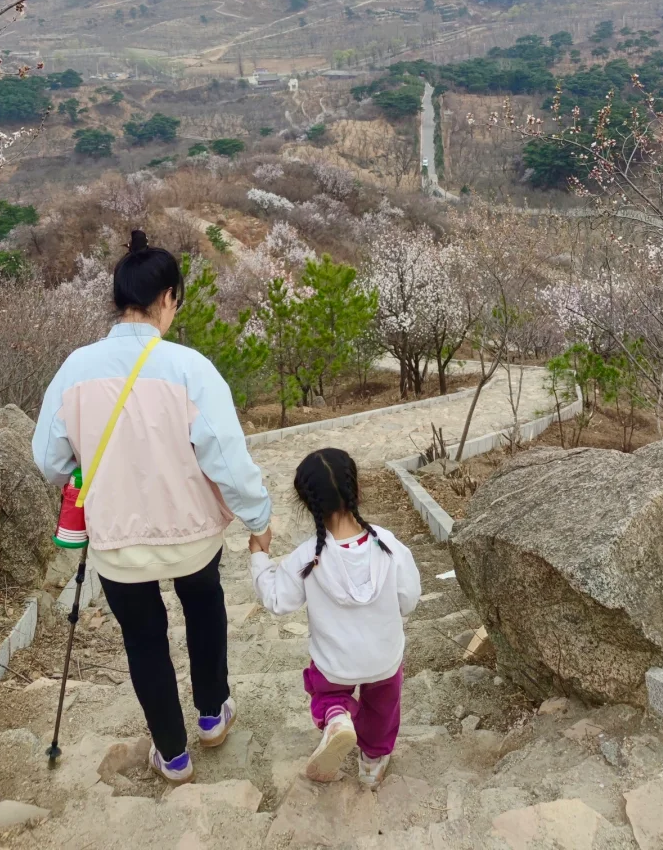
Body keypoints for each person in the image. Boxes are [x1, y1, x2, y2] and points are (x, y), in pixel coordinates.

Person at [32, 230, 271, 784]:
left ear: (120, 301)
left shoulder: (75, 369)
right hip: (192, 537)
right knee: (205, 610)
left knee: (144, 640)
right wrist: (259, 519)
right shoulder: (190, 369)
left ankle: (174, 754)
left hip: (117, 541)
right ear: (167, 298)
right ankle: (212, 716)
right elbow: (227, 461)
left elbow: (48, 459)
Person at [248, 447, 420, 789]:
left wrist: (259, 556)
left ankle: (336, 716)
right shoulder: (389, 546)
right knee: (383, 709)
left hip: (335, 665)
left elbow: (277, 599)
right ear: (356, 490)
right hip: (384, 658)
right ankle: (372, 763)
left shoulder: (307, 557)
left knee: (325, 690)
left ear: (308, 504)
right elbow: (409, 600)